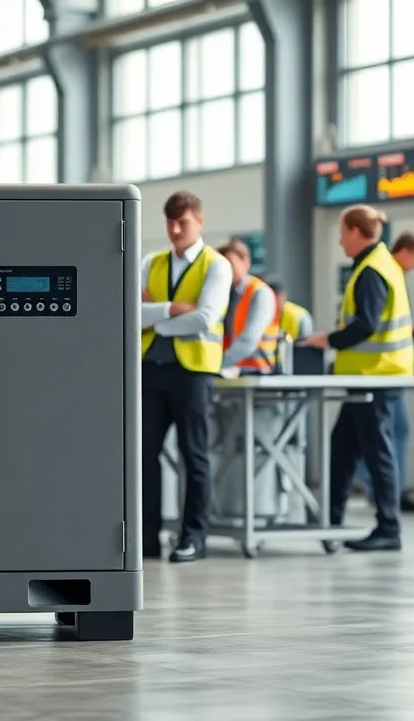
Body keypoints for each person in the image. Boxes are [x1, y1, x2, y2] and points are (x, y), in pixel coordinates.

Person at [301, 205, 413, 552]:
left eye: (341, 231)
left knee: (377, 454)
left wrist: (329, 340)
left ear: (353, 230)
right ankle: (330, 521)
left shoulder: (372, 270)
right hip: (365, 378)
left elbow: (366, 325)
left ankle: (388, 529)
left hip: (375, 378)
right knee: (343, 451)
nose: (338, 239)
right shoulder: (377, 264)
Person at [140, 190, 230, 564]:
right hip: (149, 370)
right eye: (171, 222)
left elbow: (206, 318)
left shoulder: (216, 265)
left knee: (194, 455)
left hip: (192, 371)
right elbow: (127, 310)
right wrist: (173, 309)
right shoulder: (152, 262)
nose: (176, 229)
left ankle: (193, 537)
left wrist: (155, 318)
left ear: (200, 221)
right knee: (142, 456)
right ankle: (146, 539)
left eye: (184, 222)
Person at [352, 230, 414, 512]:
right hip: (379, 370)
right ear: (404, 251)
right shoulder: (382, 272)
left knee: (393, 432)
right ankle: (385, 496)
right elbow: (369, 324)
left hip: (391, 371)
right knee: (383, 436)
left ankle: (389, 493)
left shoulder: (390, 274)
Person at [218, 238, 280, 373]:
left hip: (258, 372)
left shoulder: (260, 293)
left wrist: (219, 364)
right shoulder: (227, 295)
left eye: (230, 263)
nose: (225, 270)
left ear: (245, 261)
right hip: (234, 371)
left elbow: (249, 339)